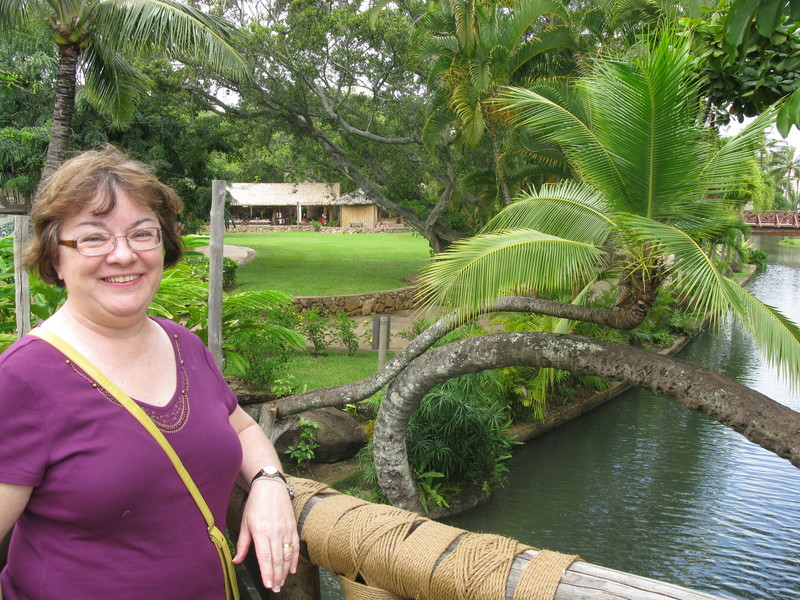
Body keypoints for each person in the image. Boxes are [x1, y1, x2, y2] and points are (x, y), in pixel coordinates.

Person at [0, 146, 299, 599]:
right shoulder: (23, 379)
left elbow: (239, 428)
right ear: (56, 258)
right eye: (93, 238)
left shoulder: (184, 344)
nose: (123, 255)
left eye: (142, 234)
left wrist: (269, 482)